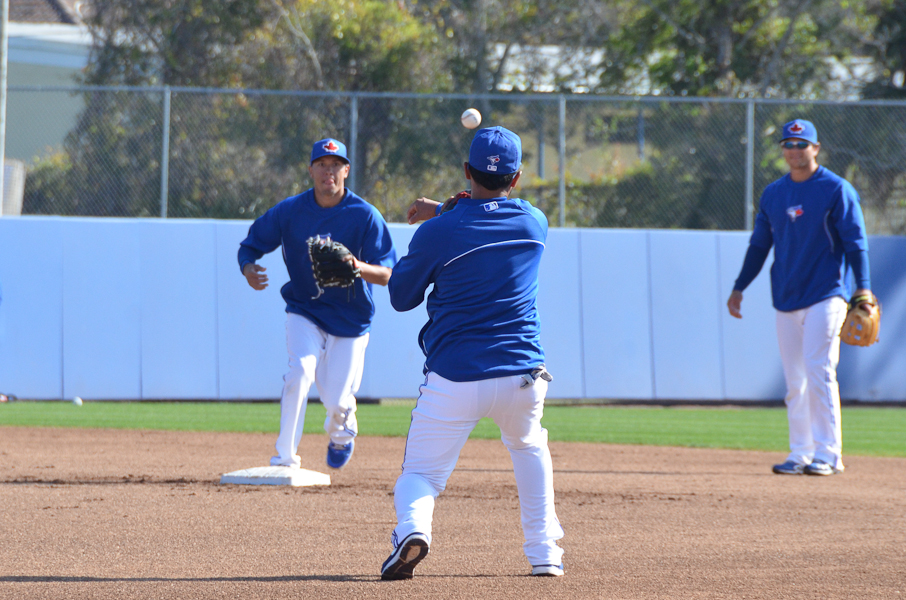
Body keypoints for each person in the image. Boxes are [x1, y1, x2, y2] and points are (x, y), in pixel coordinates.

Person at [379, 126, 564, 580]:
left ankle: (414, 531)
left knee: (421, 474)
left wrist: (436, 220)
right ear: (517, 178)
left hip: (456, 376)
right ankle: (546, 555)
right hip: (523, 373)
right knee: (529, 447)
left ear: (466, 171)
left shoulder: (439, 231)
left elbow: (401, 297)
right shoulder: (534, 222)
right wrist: (445, 211)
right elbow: (493, 215)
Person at [727, 119, 874, 477]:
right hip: (786, 297)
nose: (794, 150)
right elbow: (760, 245)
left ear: (816, 148)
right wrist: (739, 286)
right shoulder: (774, 194)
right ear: (783, 150)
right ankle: (800, 452)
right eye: (789, 145)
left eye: (801, 144)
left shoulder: (836, 189)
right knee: (795, 380)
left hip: (827, 295)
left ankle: (829, 453)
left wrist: (864, 287)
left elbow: (855, 243)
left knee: (819, 369)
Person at [237, 138, 396, 470]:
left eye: (335, 165)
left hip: (351, 320)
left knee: (337, 401)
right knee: (300, 372)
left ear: (346, 170)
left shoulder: (364, 215)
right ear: (310, 169)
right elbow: (250, 245)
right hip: (305, 310)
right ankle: (284, 457)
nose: (329, 171)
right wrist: (248, 268)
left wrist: (357, 266)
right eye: (322, 164)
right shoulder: (290, 211)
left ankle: (341, 434)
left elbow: (387, 273)